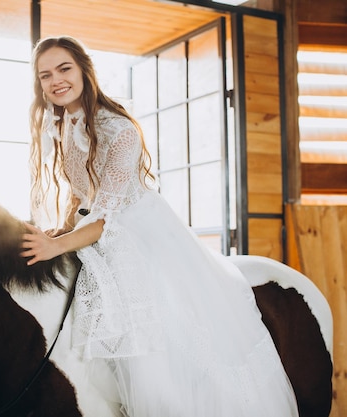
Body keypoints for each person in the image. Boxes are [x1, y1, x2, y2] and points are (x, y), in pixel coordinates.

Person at [20, 35, 298, 417]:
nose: (55, 81)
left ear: (85, 70)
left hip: (137, 235)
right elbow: (83, 195)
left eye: (64, 69)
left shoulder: (119, 130)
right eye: (45, 75)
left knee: (158, 350)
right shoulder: (64, 124)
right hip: (98, 227)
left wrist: (58, 245)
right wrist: (62, 229)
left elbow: (107, 218)